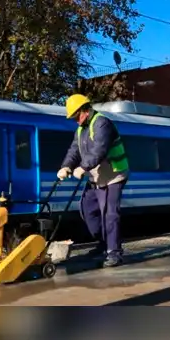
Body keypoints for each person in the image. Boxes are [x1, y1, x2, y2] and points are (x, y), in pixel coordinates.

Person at [58, 94, 130, 267]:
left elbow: (99, 149)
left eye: (76, 116)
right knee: (87, 209)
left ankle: (114, 253)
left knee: (110, 214)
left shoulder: (102, 123)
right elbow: (74, 150)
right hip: (96, 176)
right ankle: (104, 243)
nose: (75, 120)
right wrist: (66, 166)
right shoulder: (81, 129)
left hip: (113, 175)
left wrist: (83, 168)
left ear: (85, 110)